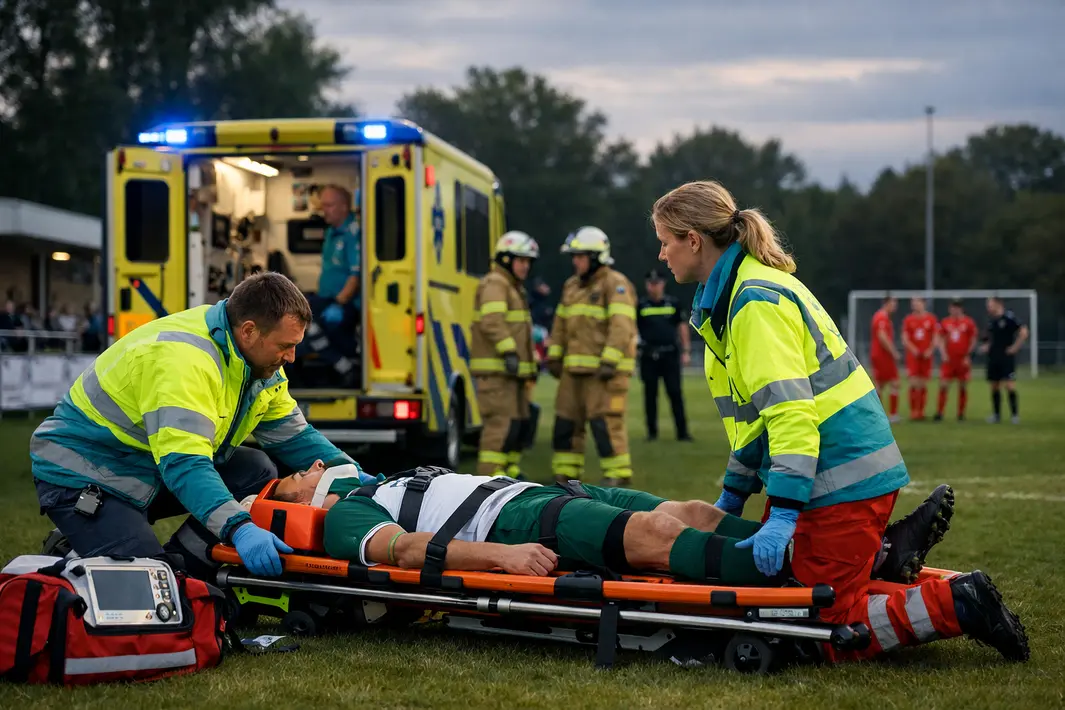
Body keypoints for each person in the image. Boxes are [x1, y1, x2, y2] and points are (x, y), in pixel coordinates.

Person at [649, 179, 1028, 663]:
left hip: (837, 480)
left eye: (665, 242)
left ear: (693, 240)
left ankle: (958, 603)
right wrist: (735, 493)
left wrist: (783, 511)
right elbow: (757, 422)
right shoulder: (740, 295)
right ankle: (886, 555)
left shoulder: (751, 304)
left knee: (815, 629)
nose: (662, 256)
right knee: (781, 591)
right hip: (834, 475)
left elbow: (790, 413)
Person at [30, 272, 376, 580]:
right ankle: (81, 551)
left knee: (255, 468)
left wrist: (361, 480)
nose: (292, 358)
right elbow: (185, 465)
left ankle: (181, 568)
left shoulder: (254, 362)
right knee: (149, 584)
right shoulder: (185, 361)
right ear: (249, 331)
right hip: (86, 476)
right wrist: (239, 529)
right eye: (286, 346)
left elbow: (297, 438)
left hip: (144, 468)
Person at [546, 227, 638, 487]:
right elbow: (560, 324)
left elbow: (621, 326)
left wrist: (610, 360)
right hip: (572, 370)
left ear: (597, 257)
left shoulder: (615, 284)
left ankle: (617, 475)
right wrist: (555, 355)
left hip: (603, 372)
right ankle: (566, 476)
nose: (575, 261)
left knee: (605, 425)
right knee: (565, 425)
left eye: (580, 256)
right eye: (574, 256)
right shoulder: (571, 286)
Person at [470, 231, 540, 478]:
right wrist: (508, 351)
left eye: (528, 261)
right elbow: (492, 321)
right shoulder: (495, 284)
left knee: (515, 428)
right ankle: (488, 481)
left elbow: (520, 331)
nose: (526, 266)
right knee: (499, 428)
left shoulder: (512, 288)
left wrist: (530, 363)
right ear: (506, 260)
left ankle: (508, 476)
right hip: (496, 374)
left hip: (511, 374)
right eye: (521, 260)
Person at [297, 184, 361, 386]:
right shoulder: (332, 233)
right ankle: (343, 367)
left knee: (306, 325)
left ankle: (346, 368)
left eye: (329, 205)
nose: (324, 210)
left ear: (343, 207)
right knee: (294, 322)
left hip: (343, 303)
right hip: (326, 298)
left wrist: (340, 304)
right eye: (322, 206)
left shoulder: (353, 233)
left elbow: (356, 275)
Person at [636, 268, 692, 442]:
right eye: (650, 284)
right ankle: (652, 433)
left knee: (675, 393)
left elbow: (682, 327)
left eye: (656, 283)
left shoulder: (673, 304)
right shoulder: (641, 305)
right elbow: (632, 329)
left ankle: (682, 433)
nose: (653, 287)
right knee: (650, 395)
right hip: (648, 355)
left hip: (670, 354)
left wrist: (686, 351)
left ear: (663, 284)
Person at [978, 296, 1029, 424]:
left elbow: (1024, 331)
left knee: (1009, 385)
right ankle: (996, 415)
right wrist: (986, 346)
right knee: (994, 386)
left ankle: (1014, 415)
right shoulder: (990, 320)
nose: (988, 307)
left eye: (990, 304)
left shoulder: (1009, 318)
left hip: (1006, 357)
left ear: (998, 304)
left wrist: (1015, 347)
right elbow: (989, 338)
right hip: (993, 357)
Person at [935, 298, 979, 421]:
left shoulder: (968, 322)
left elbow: (973, 340)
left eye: (957, 307)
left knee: (963, 386)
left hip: (962, 359)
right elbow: (940, 338)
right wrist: (943, 353)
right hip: (949, 359)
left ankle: (961, 413)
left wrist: (968, 355)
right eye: (953, 307)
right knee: (943, 385)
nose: (955, 310)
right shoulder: (945, 322)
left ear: (961, 308)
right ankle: (940, 412)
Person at [902, 297, 938, 421]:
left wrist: (930, 350)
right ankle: (913, 411)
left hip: (926, 356)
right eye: (913, 303)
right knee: (913, 382)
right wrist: (913, 350)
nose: (915, 305)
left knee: (923, 384)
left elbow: (935, 337)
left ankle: (921, 411)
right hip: (913, 356)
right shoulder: (908, 320)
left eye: (917, 303)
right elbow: (905, 338)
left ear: (923, 304)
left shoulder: (931, 319)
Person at [869, 295, 901, 422]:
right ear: (887, 303)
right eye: (893, 303)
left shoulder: (884, 317)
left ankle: (877, 414)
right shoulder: (881, 317)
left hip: (880, 355)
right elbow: (882, 336)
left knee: (880, 385)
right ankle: (892, 414)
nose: (895, 306)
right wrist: (894, 352)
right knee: (895, 383)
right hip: (883, 356)